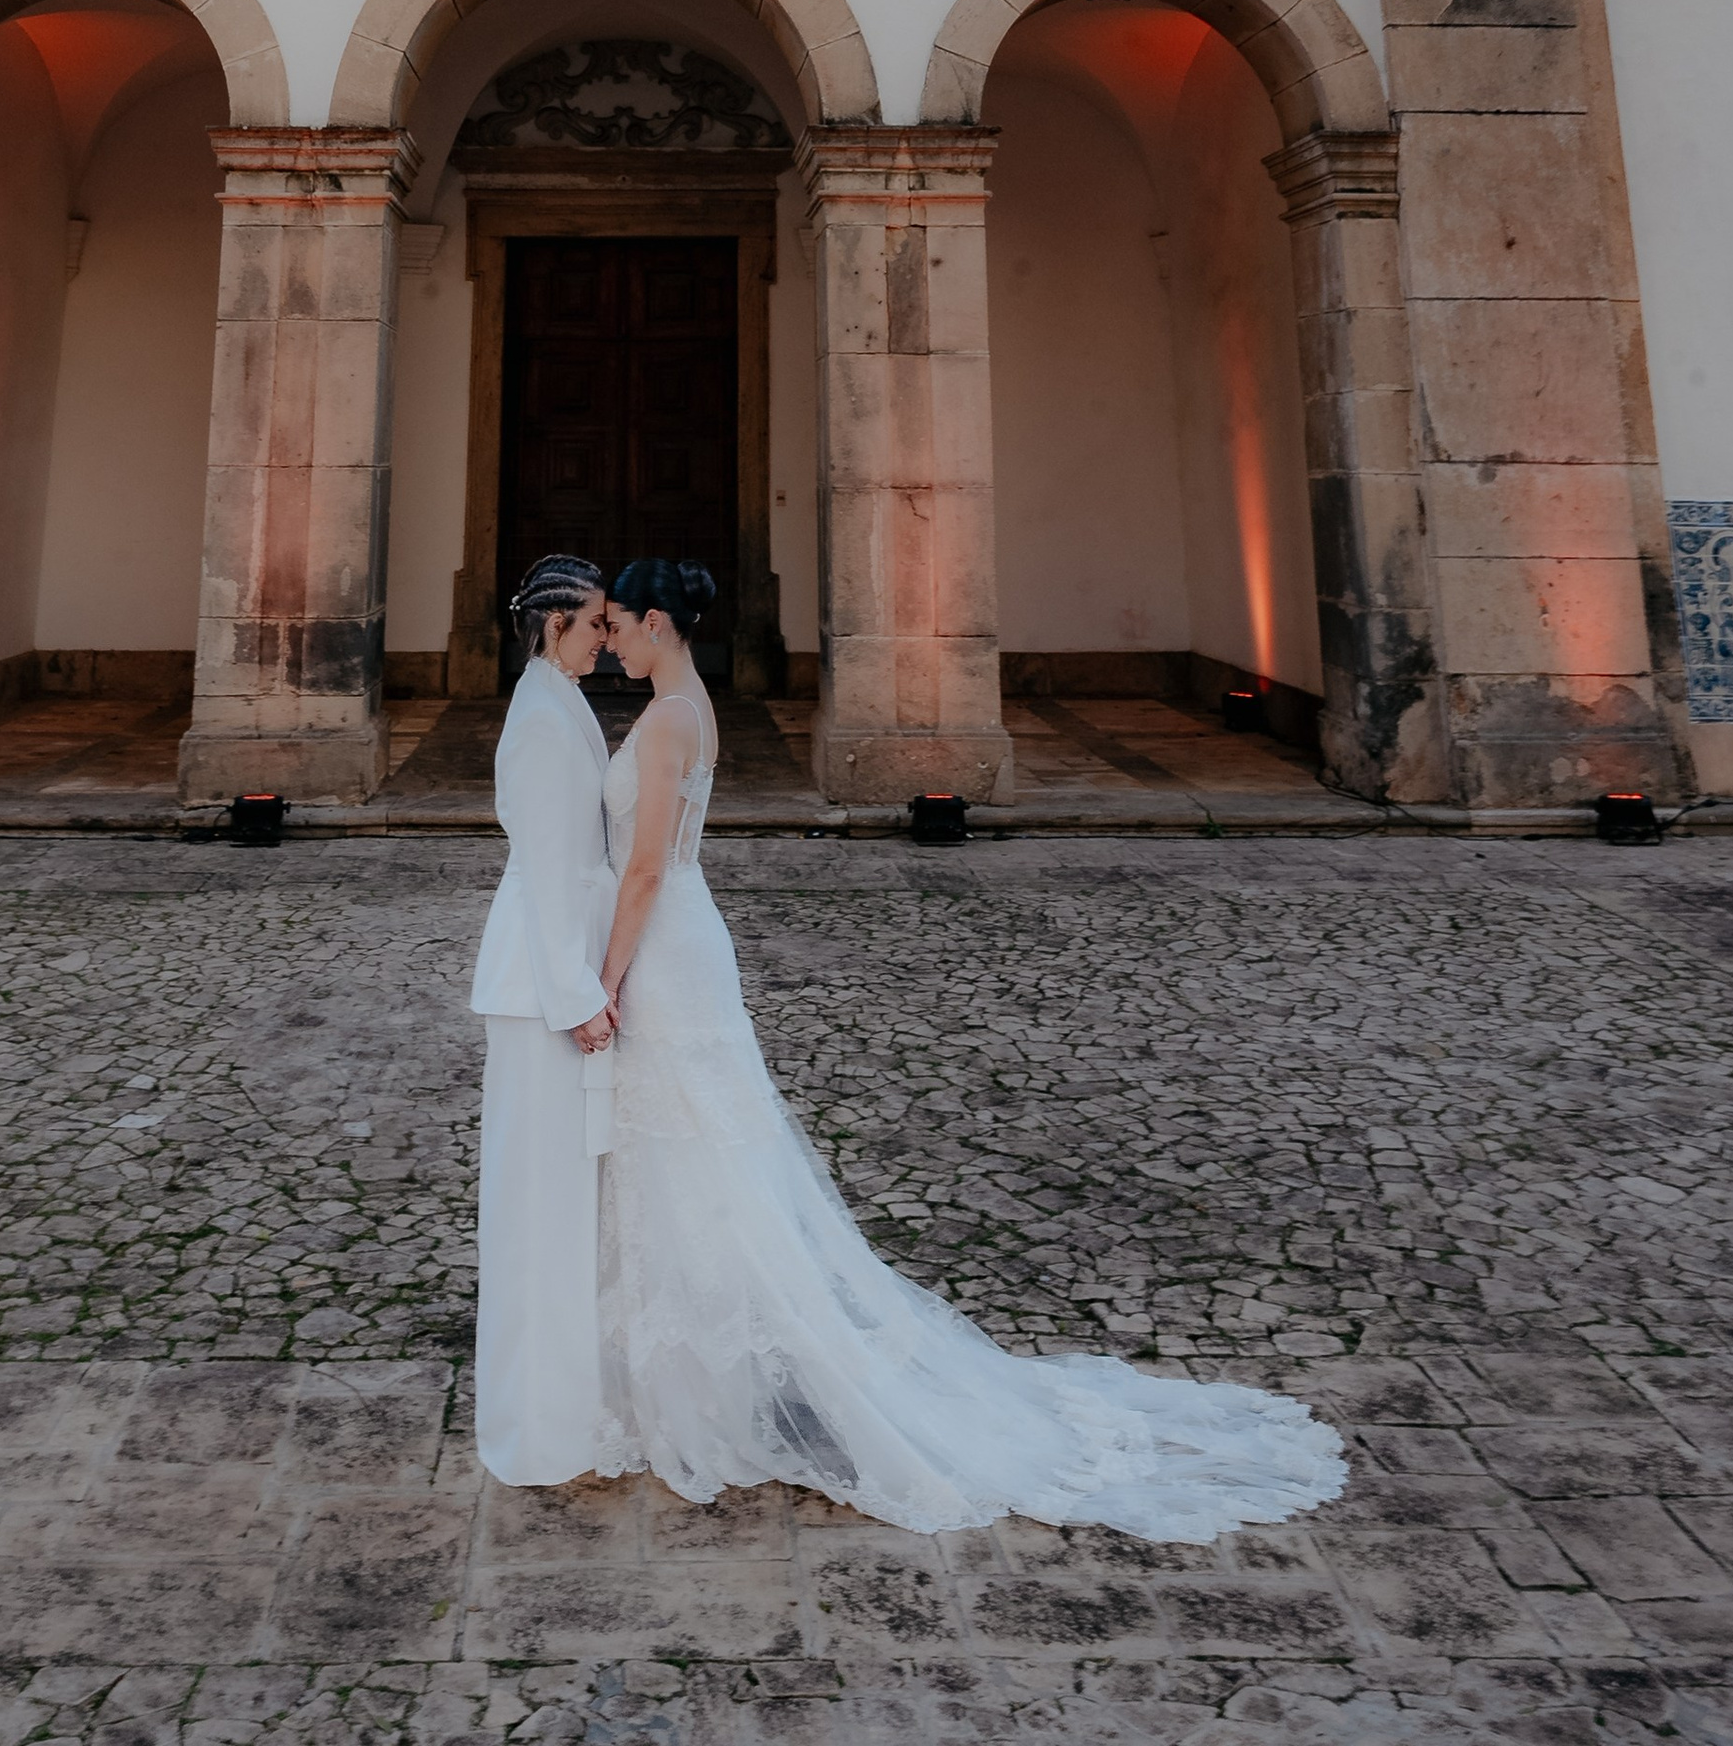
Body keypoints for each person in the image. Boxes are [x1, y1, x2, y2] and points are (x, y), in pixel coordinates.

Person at [587, 557, 1347, 1540]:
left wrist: (601, 980)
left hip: (664, 951)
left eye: (619, 625)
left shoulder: (666, 719)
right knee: (713, 1158)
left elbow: (644, 867)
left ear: (657, 619)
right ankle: (701, 1359)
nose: (611, 641)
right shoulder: (690, 705)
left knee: (699, 1156)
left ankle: (707, 1368)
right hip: (689, 943)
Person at [470, 550, 620, 1484]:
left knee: (566, 1205)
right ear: (555, 622)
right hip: (540, 993)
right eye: (598, 621)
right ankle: (540, 1420)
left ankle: (572, 1399)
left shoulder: (559, 702)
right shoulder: (538, 723)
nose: (610, 636)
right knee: (538, 1207)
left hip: (559, 979)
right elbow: (551, 872)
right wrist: (579, 997)